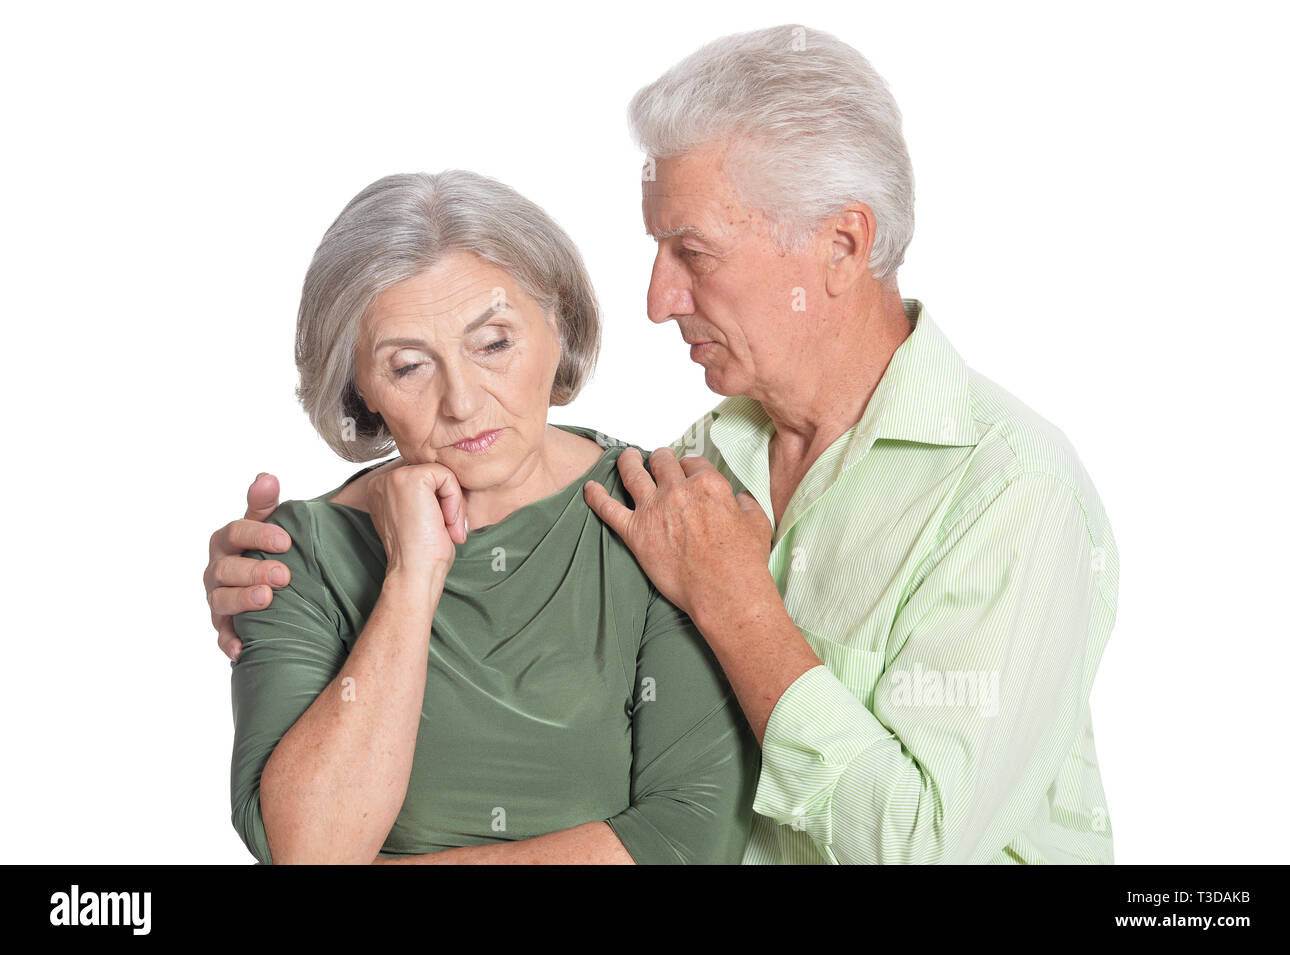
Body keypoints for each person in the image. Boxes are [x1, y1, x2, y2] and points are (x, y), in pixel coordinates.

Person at [208, 24, 1120, 865]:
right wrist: (308, 562)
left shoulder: (1013, 494)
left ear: (843, 244)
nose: (657, 298)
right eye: (655, 249)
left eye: (693, 251)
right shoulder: (691, 466)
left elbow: (916, 844)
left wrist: (741, 612)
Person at [223, 169, 758, 864]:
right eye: (410, 365)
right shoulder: (298, 552)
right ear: (361, 389)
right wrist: (413, 575)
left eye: (495, 343)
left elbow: (689, 840)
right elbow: (305, 848)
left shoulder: (658, 511)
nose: (464, 402)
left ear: (557, 326)